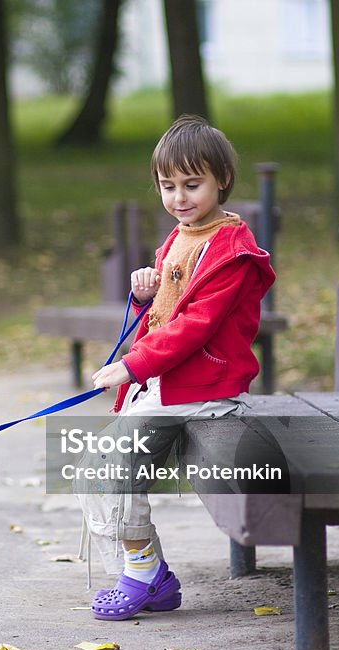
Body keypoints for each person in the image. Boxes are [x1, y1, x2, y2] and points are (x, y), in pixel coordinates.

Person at [76, 114, 276, 621]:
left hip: (201, 390)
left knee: (116, 466)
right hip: (169, 384)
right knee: (89, 468)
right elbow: (167, 308)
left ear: (222, 181)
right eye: (168, 186)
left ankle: (142, 574)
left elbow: (197, 324)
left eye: (193, 184)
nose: (179, 198)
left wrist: (132, 366)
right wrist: (145, 294)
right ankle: (147, 573)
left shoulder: (232, 252)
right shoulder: (180, 238)